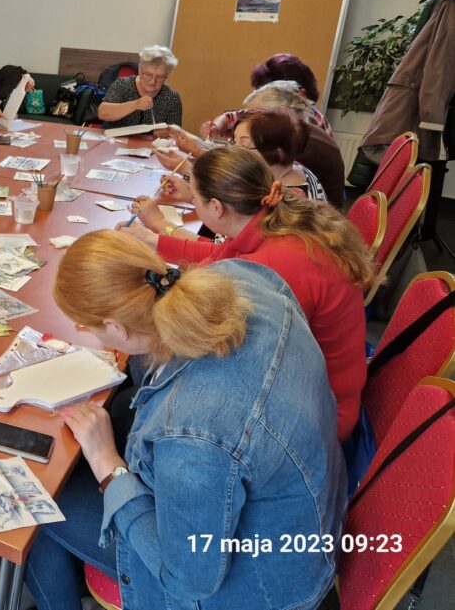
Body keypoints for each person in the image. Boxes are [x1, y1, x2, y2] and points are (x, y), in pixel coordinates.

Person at [24, 230, 346, 610]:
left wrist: (108, 465)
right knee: (99, 430)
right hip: (301, 516)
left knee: (33, 494)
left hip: (255, 587)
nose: (88, 334)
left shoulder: (191, 436)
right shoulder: (243, 278)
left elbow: (189, 579)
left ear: (115, 327)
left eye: (87, 327)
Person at [124, 145, 374, 442]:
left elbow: (213, 339)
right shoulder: (281, 218)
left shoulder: (269, 268)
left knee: (145, 365)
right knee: (139, 372)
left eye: (195, 199)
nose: (194, 204)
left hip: (313, 418)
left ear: (216, 208)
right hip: (322, 387)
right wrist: (154, 241)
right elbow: (224, 254)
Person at [245, 81, 345, 206]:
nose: (248, 123)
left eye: (255, 115)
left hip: (310, 216)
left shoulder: (298, 146)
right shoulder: (299, 132)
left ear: (281, 113)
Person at [202, 53, 334, 139]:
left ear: (300, 94)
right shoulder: (277, 112)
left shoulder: (309, 125)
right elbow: (233, 116)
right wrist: (217, 126)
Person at [233, 109, 326, 201]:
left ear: (278, 154)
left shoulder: (290, 201)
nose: (233, 149)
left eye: (244, 145)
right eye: (234, 141)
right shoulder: (293, 168)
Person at [97, 45, 183, 129]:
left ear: (166, 76)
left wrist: (165, 134)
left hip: (149, 143)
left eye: (160, 77)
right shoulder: (122, 84)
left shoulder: (172, 98)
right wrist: (136, 104)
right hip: (114, 141)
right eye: (148, 74)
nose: (153, 81)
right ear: (140, 69)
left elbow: (174, 132)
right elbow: (103, 113)